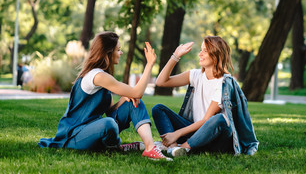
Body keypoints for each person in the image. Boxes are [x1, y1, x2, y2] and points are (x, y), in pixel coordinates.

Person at [38, 31, 172, 161]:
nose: (121, 53)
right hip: (74, 136)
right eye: (118, 49)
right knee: (109, 123)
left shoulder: (103, 75)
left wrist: (124, 100)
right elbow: (138, 91)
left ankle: (150, 148)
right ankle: (117, 147)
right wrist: (149, 65)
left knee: (134, 101)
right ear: (108, 52)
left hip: (93, 130)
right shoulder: (97, 76)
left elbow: (110, 111)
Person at [152, 36, 259, 157]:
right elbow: (161, 82)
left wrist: (176, 133)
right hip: (196, 133)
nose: (200, 54)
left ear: (216, 54)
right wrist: (175, 56)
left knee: (219, 119)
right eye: (201, 50)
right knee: (158, 109)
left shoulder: (223, 82)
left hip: (217, 138)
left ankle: (183, 147)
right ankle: (173, 148)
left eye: (205, 51)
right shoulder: (196, 75)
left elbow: (206, 120)